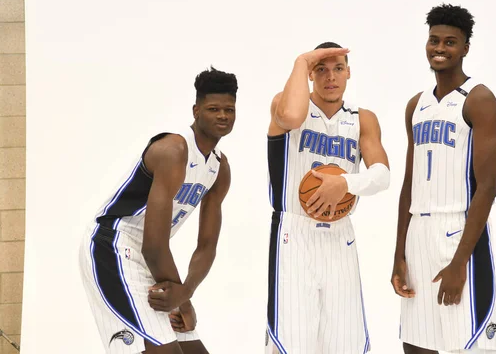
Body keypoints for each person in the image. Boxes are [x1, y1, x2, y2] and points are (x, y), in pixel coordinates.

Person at [79, 67, 238, 354]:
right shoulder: (173, 150)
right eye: (213, 108)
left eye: (229, 109)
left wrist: (185, 291)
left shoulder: (219, 168)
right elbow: (154, 246)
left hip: (150, 260)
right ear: (196, 110)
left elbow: (206, 246)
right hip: (113, 246)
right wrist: (184, 300)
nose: (223, 116)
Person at [266, 43, 390, 353]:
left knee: (344, 341)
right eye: (320, 69)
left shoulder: (363, 119)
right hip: (294, 233)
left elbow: (382, 176)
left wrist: (345, 183)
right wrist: (301, 60)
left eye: (337, 68)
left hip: (340, 235)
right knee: (292, 340)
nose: (330, 77)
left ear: (349, 72)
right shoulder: (285, 105)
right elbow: (292, 116)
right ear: (309, 74)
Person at [391, 4, 496, 354]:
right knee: (417, 344)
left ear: (465, 48)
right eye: (434, 40)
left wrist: (459, 262)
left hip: (458, 231)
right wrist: (399, 253)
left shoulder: (479, 99)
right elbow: (409, 183)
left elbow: (487, 187)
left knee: (466, 344)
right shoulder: (416, 104)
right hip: (418, 233)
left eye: (450, 42)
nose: (440, 48)